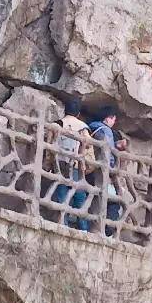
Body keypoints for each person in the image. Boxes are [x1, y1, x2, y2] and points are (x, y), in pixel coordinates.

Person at [49, 97, 93, 227]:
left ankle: (62, 223)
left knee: (61, 193)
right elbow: (89, 144)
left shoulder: (57, 124)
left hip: (60, 164)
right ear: (78, 113)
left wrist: (48, 163)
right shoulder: (83, 127)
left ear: (64, 111)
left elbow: (50, 144)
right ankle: (83, 227)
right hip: (75, 165)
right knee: (79, 196)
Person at [84, 105, 121, 235]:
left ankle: (89, 226)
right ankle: (106, 230)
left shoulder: (90, 127)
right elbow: (108, 153)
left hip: (88, 169)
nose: (114, 122)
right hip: (101, 172)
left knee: (92, 197)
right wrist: (112, 169)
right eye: (113, 119)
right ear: (108, 118)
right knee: (114, 202)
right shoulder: (106, 131)